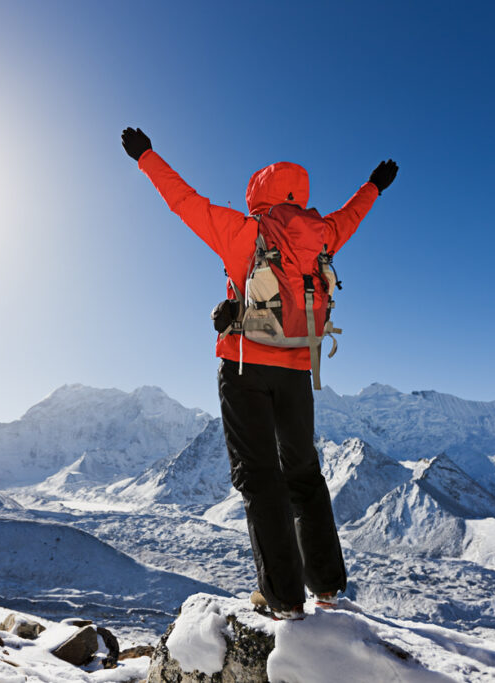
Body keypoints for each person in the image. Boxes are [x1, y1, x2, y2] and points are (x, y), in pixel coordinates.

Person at [121, 127, 398, 620]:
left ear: (257, 194)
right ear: (300, 193)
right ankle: (328, 587)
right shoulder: (321, 236)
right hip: (298, 368)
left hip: (245, 366)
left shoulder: (242, 232)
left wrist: (146, 156)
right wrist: (374, 184)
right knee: (304, 475)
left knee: (260, 480)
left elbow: (183, 200)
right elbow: (351, 216)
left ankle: (284, 598)